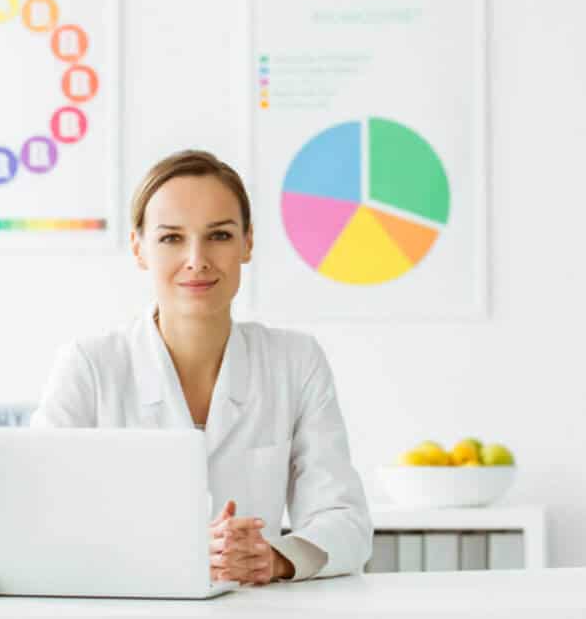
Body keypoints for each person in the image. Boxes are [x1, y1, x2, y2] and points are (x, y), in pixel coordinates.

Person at [31, 150, 372, 583]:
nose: (197, 259)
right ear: (139, 248)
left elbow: (345, 521)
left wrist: (276, 559)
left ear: (248, 242)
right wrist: (177, 553)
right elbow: (42, 516)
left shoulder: (295, 362)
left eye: (220, 236)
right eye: (172, 238)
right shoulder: (89, 367)